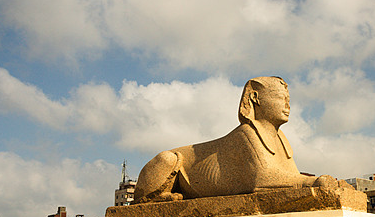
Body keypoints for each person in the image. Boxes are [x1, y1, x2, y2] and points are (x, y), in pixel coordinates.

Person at [133, 76, 338, 203]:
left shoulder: (279, 138)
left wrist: (312, 183)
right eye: (280, 98)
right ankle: (155, 197)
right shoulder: (246, 134)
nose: (287, 104)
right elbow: (263, 179)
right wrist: (313, 182)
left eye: (288, 100)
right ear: (255, 98)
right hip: (182, 170)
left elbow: (289, 176)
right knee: (168, 159)